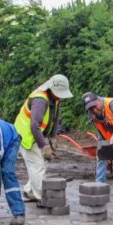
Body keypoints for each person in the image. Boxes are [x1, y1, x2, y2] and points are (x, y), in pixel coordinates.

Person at [13, 74, 73, 202]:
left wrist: (53, 137)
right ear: (52, 88)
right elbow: (34, 126)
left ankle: (29, 191)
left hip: (36, 133)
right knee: (38, 165)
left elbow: (55, 118)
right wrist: (44, 146)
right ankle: (42, 197)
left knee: (39, 164)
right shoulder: (40, 100)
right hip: (25, 135)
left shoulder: (54, 98)